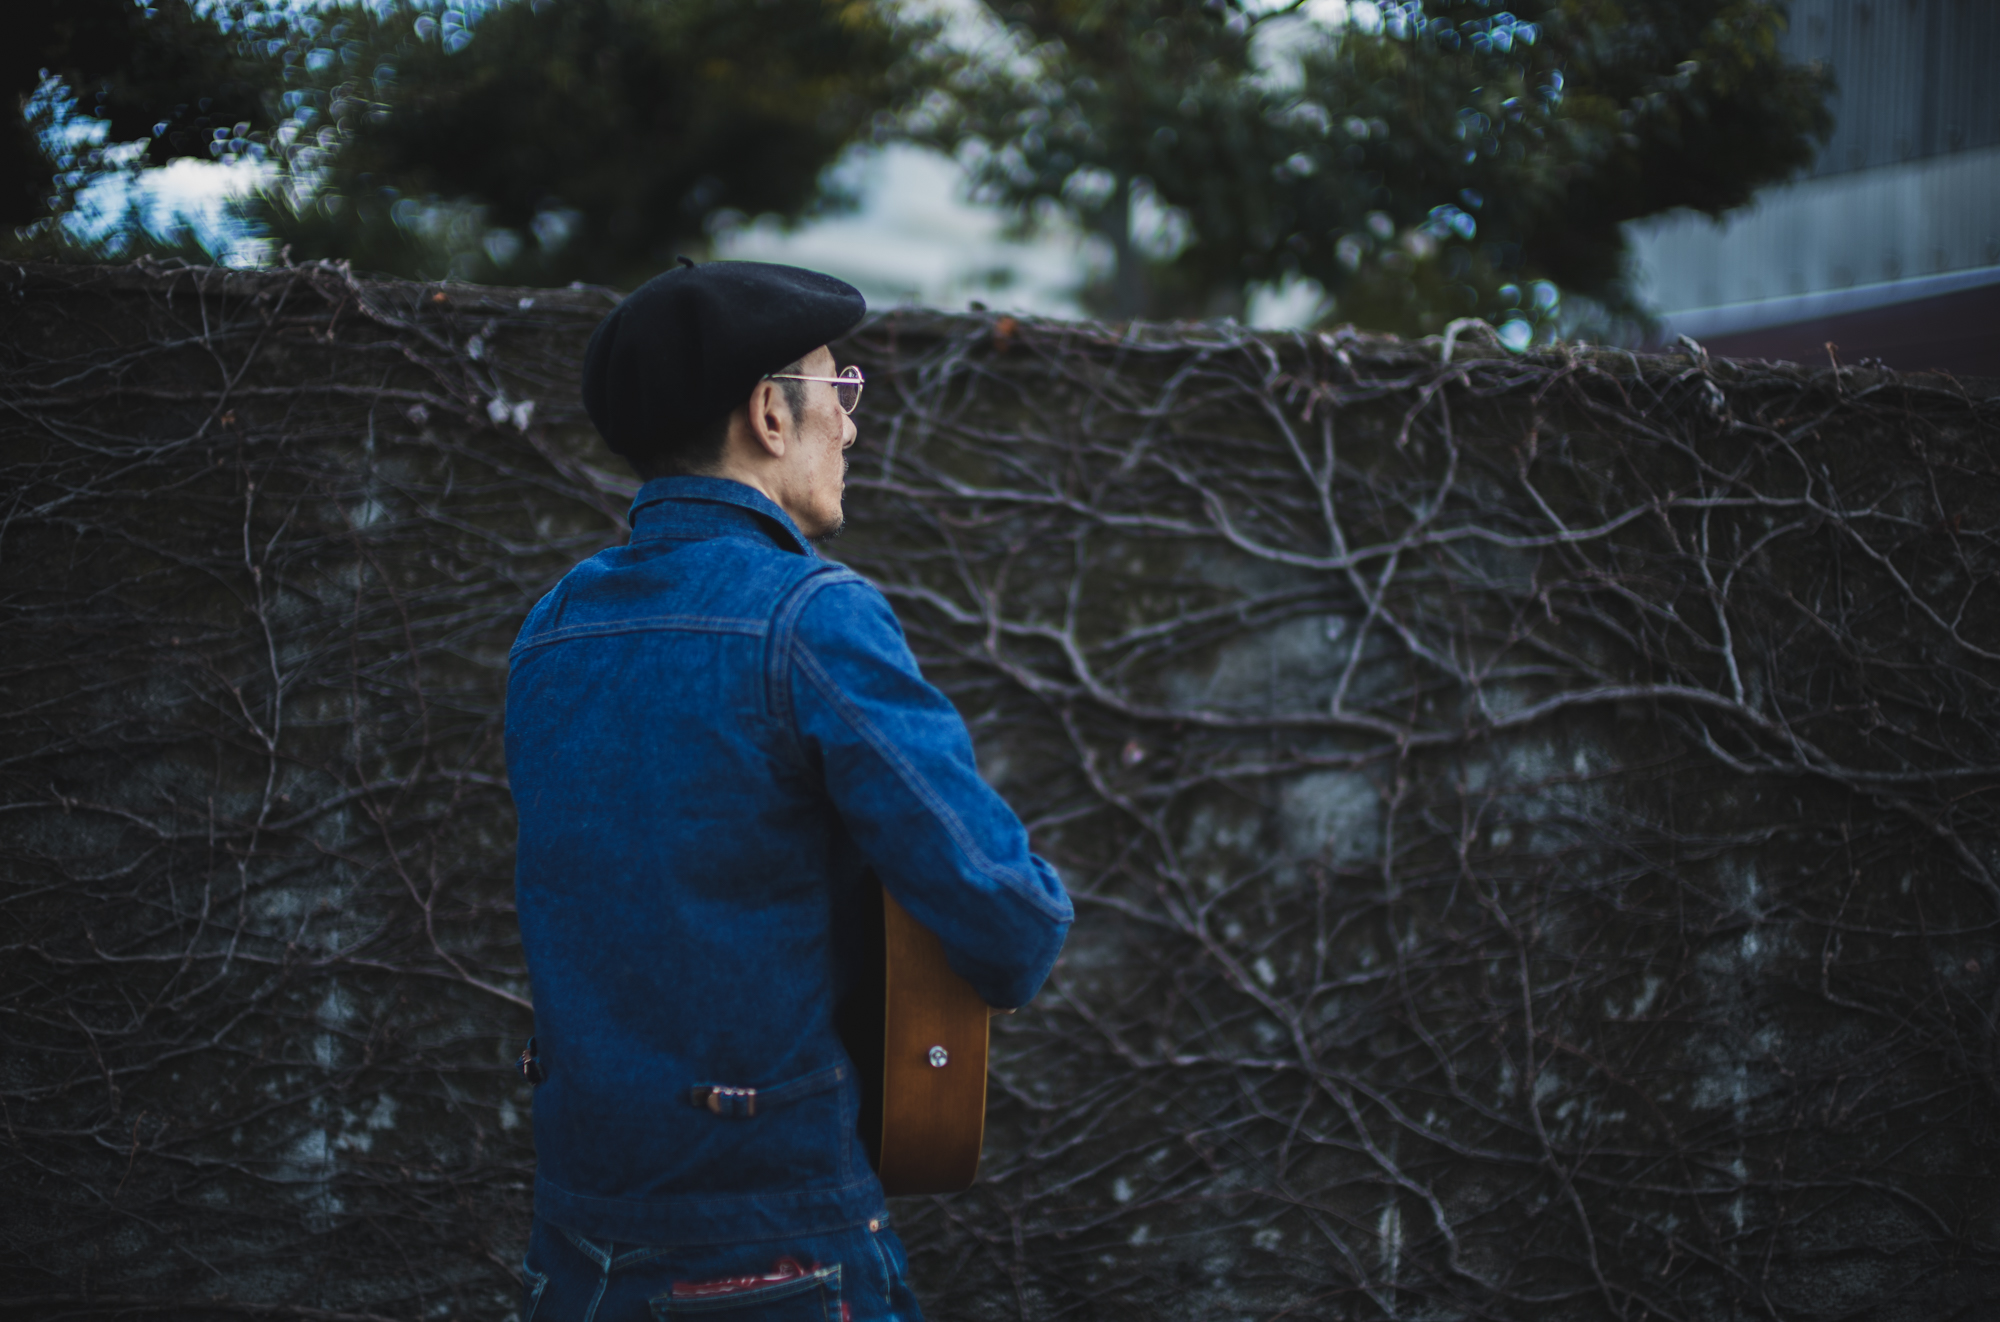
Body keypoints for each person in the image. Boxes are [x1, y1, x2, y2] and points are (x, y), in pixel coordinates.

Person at [505, 260, 1072, 1321]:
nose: (850, 423)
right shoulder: (810, 616)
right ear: (770, 413)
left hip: (574, 1241)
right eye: (837, 389)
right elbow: (1007, 919)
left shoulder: (552, 627)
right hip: (770, 1246)